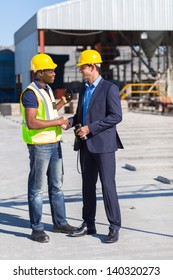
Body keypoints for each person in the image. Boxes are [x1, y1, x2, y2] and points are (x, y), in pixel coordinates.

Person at [66, 49, 123, 243]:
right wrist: (69, 122)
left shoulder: (110, 88)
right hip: (86, 146)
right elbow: (81, 115)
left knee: (108, 186)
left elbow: (116, 116)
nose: (80, 70)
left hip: (104, 146)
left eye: (82, 66)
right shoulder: (83, 89)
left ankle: (114, 227)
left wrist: (91, 128)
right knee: (87, 187)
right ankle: (88, 224)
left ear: (92, 66)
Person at [20, 53, 77, 243]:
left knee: (57, 186)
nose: (54, 73)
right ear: (39, 72)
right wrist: (59, 121)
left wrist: (63, 102)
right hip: (39, 147)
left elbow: (50, 108)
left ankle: (60, 223)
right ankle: (37, 229)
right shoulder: (30, 93)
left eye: (53, 69)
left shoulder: (47, 89)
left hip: (54, 144)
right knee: (37, 189)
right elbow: (32, 122)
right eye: (50, 70)